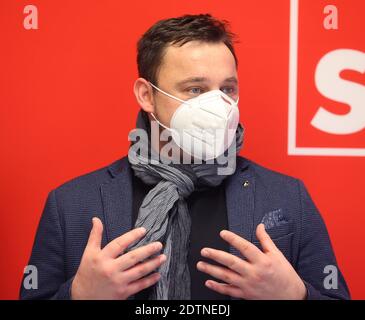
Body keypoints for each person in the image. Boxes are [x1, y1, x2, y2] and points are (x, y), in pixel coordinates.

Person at [20, 14, 350, 300]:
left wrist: (296, 295)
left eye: (228, 89)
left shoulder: (288, 196)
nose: (218, 105)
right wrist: (78, 295)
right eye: (195, 89)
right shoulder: (70, 204)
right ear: (147, 96)